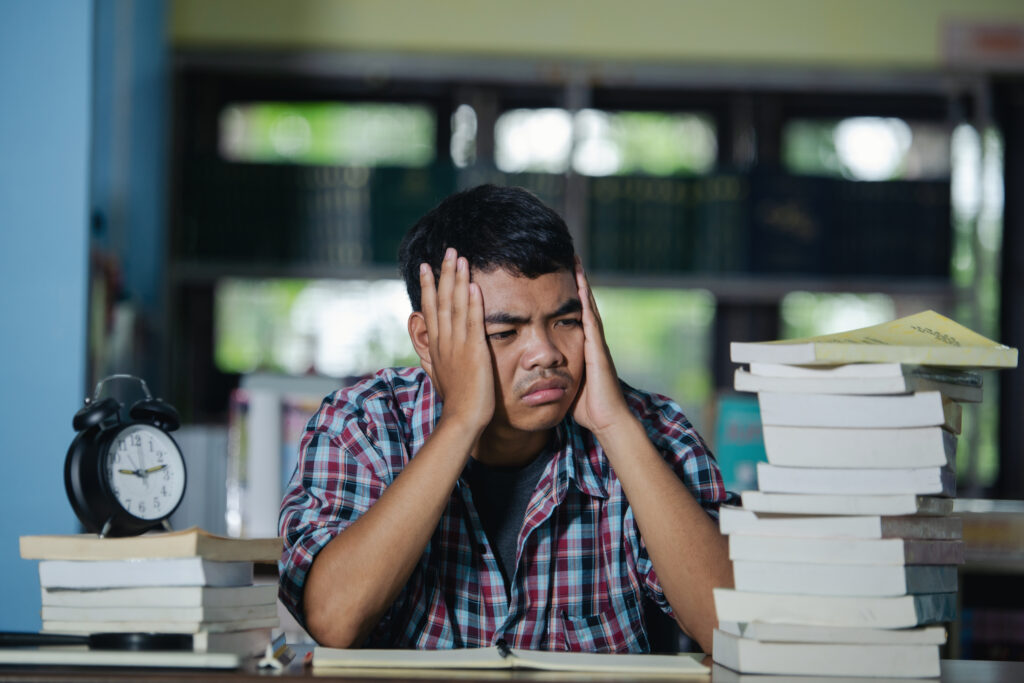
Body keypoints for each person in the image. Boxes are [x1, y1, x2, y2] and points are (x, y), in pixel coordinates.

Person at [278, 184, 733, 654]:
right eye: (505, 332)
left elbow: (736, 630)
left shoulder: (655, 429)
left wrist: (615, 426)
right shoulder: (363, 424)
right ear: (427, 339)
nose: (546, 354)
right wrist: (460, 422)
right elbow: (334, 620)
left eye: (566, 322)